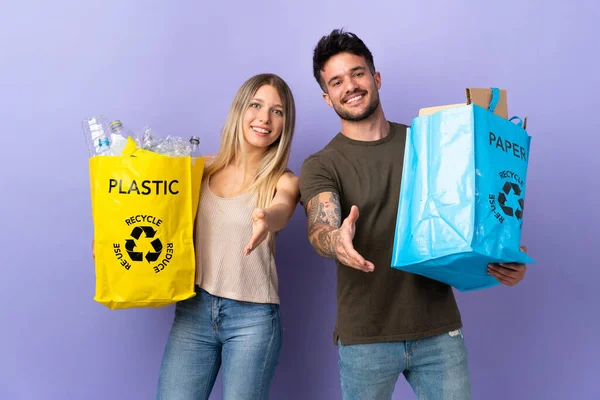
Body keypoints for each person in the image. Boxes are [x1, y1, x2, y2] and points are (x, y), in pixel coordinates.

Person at [298, 29, 529, 400]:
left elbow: (472, 211)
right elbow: (321, 226)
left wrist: (504, 255)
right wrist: (335, 241)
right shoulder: (322, 164)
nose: (350, 86)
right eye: (337, 81)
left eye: (357, 73)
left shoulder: (432, 143)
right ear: (328, 98)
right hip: (365, 337)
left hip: (438, 330)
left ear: (376, 78)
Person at [156, 73, 299, 400]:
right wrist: (111, 237)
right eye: (256, 105)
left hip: (254, 320)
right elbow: (154, 210)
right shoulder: (199, 168)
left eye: (277, 111)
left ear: (285, 124)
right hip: (193, 310)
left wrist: (267, 219)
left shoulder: (284, 179)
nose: (265, 118)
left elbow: (283, 207)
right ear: (239, 110)